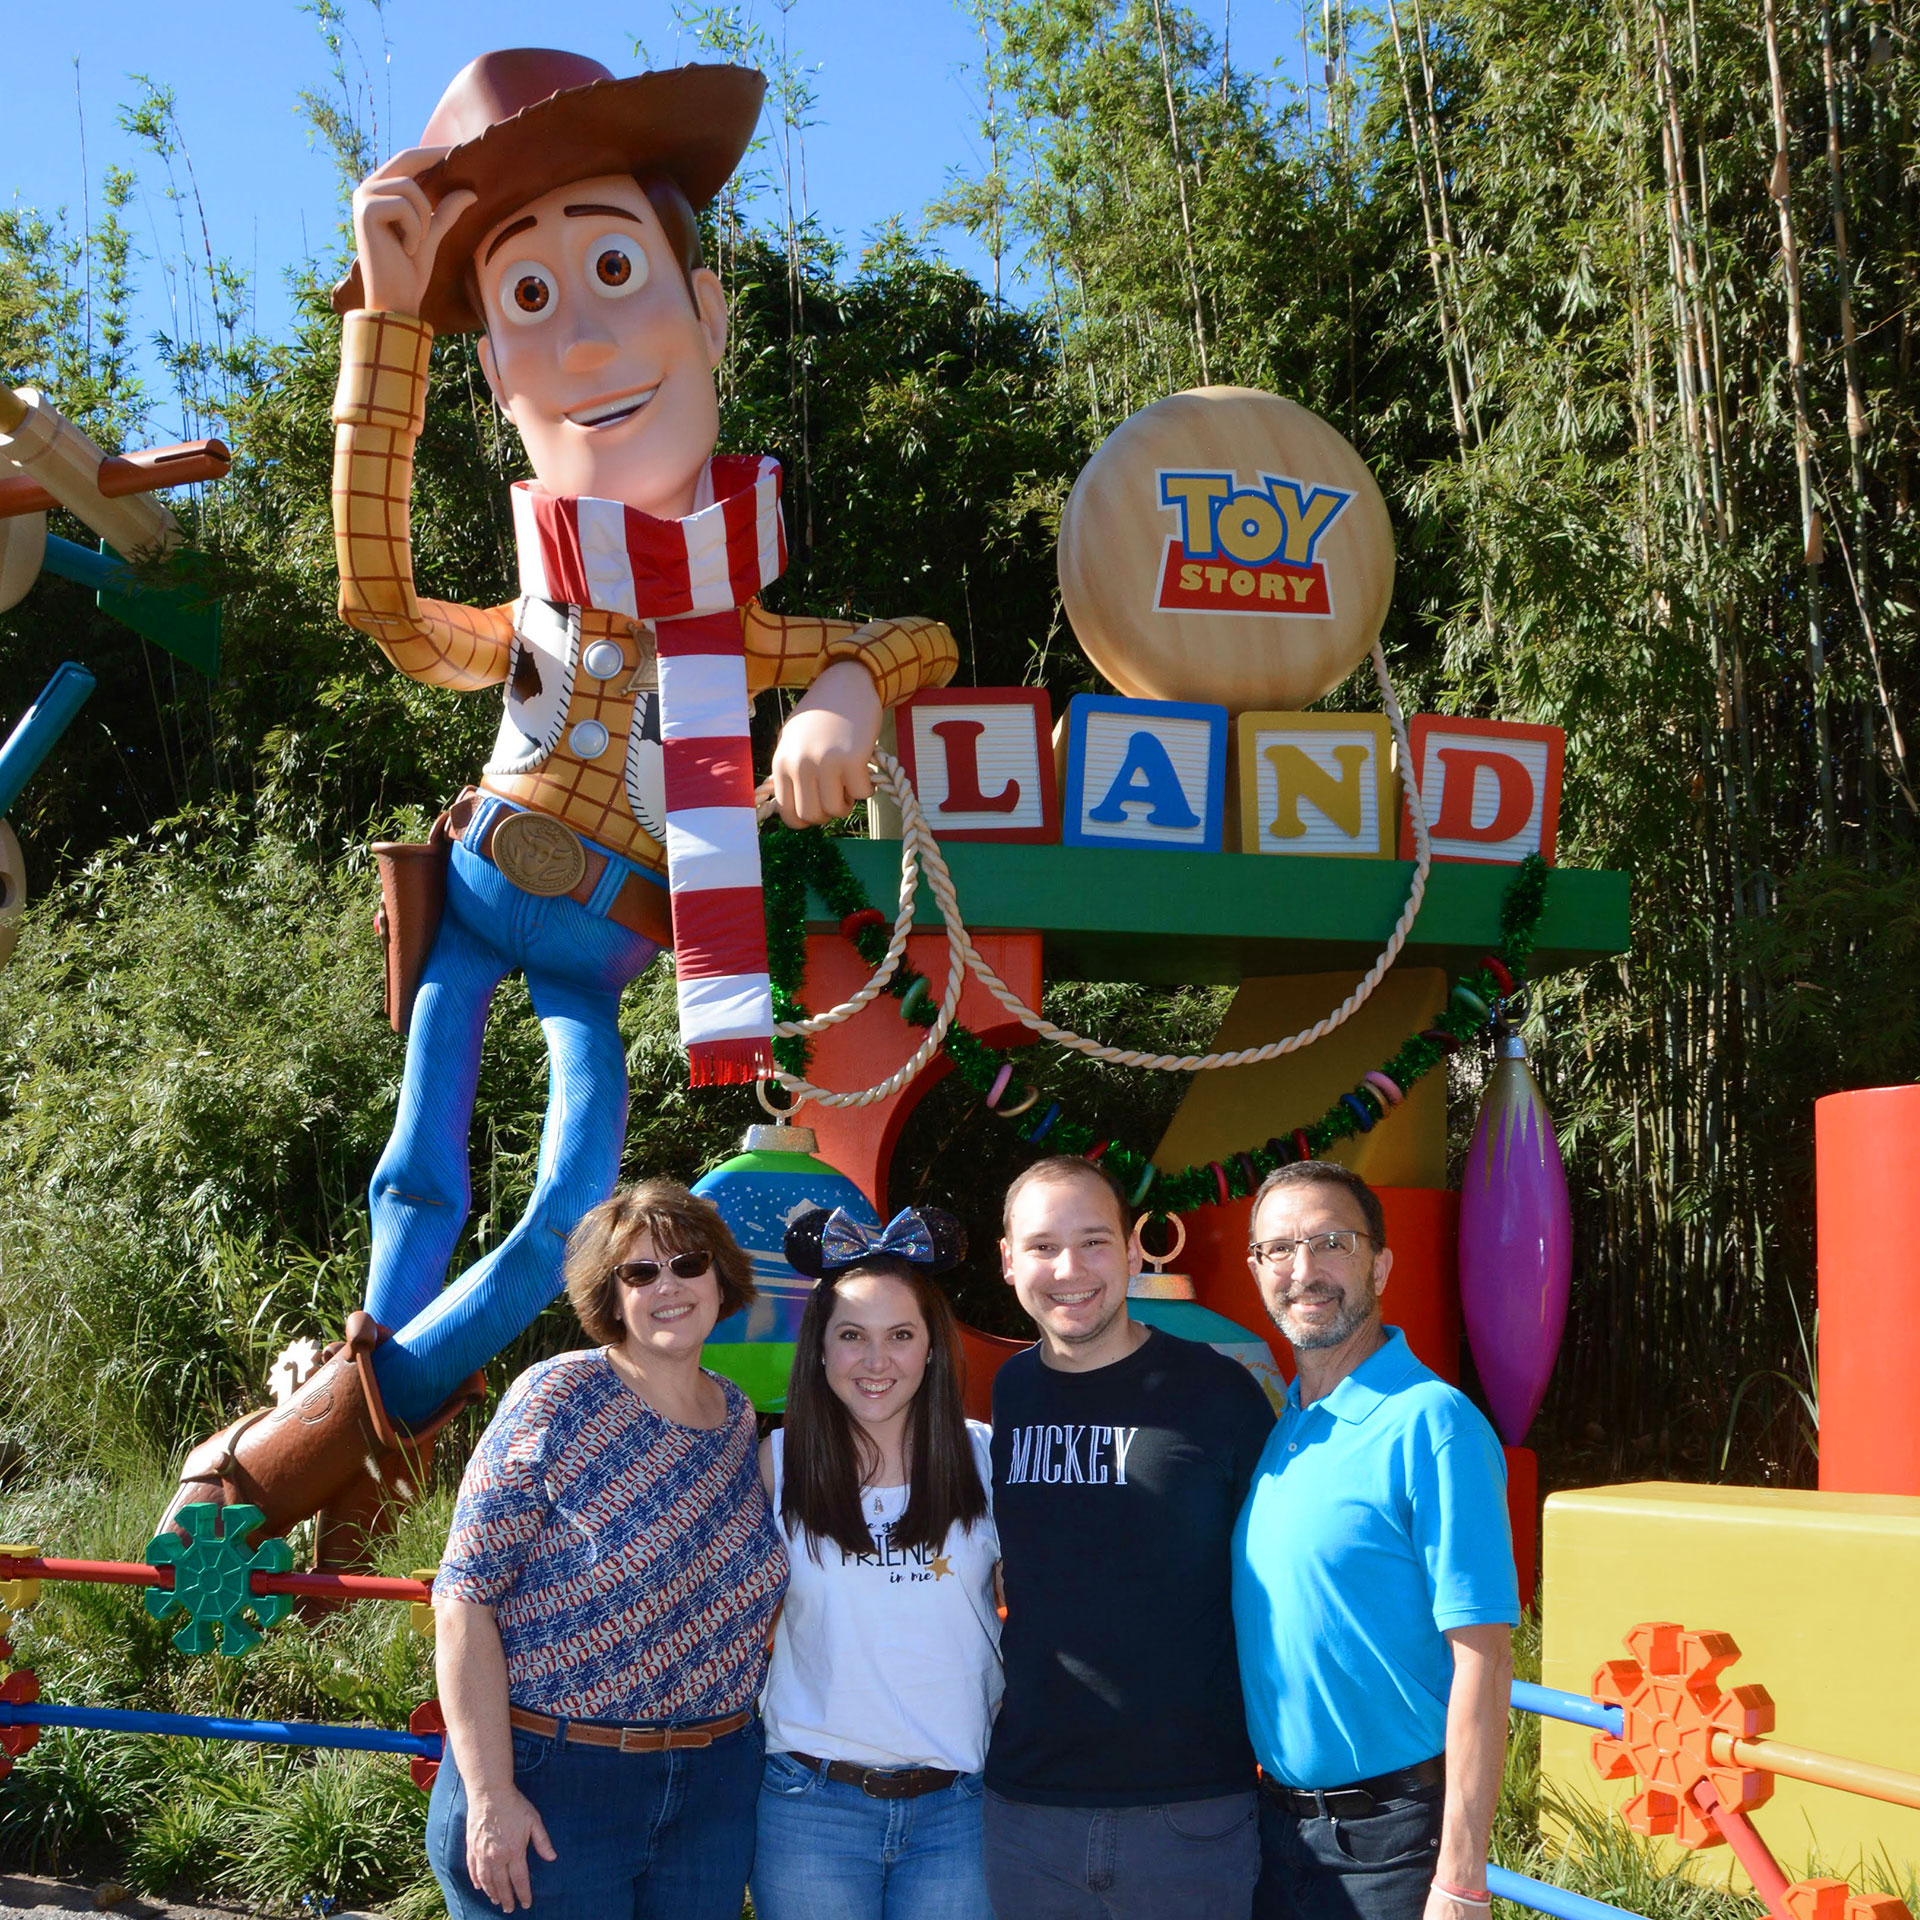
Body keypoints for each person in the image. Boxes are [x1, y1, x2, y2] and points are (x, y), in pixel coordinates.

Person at [163, 48, 958, 1554]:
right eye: (529, 299)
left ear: (705, 309)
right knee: (418, 1165)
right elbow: (387, 606)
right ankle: (356, 1448)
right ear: (494, 372)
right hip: (476, 894)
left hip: (609, 944)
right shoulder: (532, 601)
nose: (584, 334)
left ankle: (325, 1436)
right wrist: (384, 325)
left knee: (567, 1210)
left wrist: (846, 701)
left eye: (611, 267)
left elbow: (905, 641)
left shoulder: (737, 624)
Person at [425, 1178, 787, 1918]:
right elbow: (463, 1598)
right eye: (640, 1271)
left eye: (688, 1264)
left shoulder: (735, 1416)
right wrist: (491, 1796)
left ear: (721, 1278)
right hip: (557, 1781)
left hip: (713, 1787)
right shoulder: (559, 1397)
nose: (669, 1286)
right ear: (610, 1293)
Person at [985, 1155, 1276, 1919]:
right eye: (1043, 1246)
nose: (1070, 1269)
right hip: (1026, 1812)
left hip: (1190, 1813)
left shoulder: (1219, 1392)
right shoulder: (1009, 1392)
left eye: (1093, 1242)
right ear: (1009, 1260)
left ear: (1130, 1250)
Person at [1230, 1161, 1518, 1920]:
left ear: (1380, 1264)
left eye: (1331, 1242)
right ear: (1256, 1270)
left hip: (1392, 1845)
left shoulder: (1434, 1422)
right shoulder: (1285, 1425)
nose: (1304, 1270)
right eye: (1278, 1249)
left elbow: (1484, 1658)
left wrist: (1460, 1879)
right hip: (1277, 1833)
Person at [751, 1204, 1001, 1920]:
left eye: (900, 1336)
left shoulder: (988, 1459)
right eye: (852, 1337)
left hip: (960, 1806)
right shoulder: (774, 1466)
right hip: (811, 1806)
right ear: (820, 1350)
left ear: (931, 1349)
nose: (875, 1360)